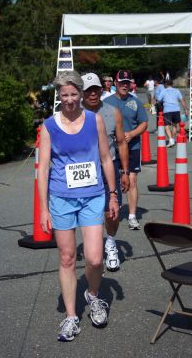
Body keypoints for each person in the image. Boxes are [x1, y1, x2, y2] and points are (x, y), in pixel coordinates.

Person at [37, 70, 119, 342]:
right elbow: (44, 168)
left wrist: (113, 195)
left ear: (81, 94)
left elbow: (107, 159)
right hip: (61, 198)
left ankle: (93, 296)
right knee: (67, 257)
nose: (70, 100)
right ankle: (71, 316)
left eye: (74, 94)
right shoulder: (49, 126)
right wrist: (44, 208)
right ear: (58, 97)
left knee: (95, 258)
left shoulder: (94, 121)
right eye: (65, 96)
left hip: (93, 196)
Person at [81, 72, 130, 271]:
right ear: (81, 93)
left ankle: (110, 242)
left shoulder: (113, 112)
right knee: (87, 213)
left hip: (108, 167)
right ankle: (93, 248)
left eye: (95, 90)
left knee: (112, 212)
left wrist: (125, 171)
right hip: (83, 170)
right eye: (88, 90)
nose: (92, 94)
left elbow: (121, 143)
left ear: (102, 90)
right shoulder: (74, 112)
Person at [105, 70, 148, 230]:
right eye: (122, 82)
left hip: (133, 147)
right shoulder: (106, 102)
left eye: (127, 82)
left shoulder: (135, 102)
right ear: (116, 83)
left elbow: (144, 123)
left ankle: (132, 216)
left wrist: (131, 134)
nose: (124, 85)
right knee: (111, 180)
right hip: (111, 148)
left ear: (131, 84)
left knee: (132, 181)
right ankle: (109, 211)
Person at [158, 79, 188, 147]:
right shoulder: (177, 90)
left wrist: (159, 106)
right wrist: (185, 109)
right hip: (176, 109)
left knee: (166, 126)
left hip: (167, 110)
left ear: (166, 84)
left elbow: (158, 100)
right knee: (174, 125)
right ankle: (172, 140)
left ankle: (171, 139)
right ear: (172, 84)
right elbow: (182, 100)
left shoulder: (164, 91)